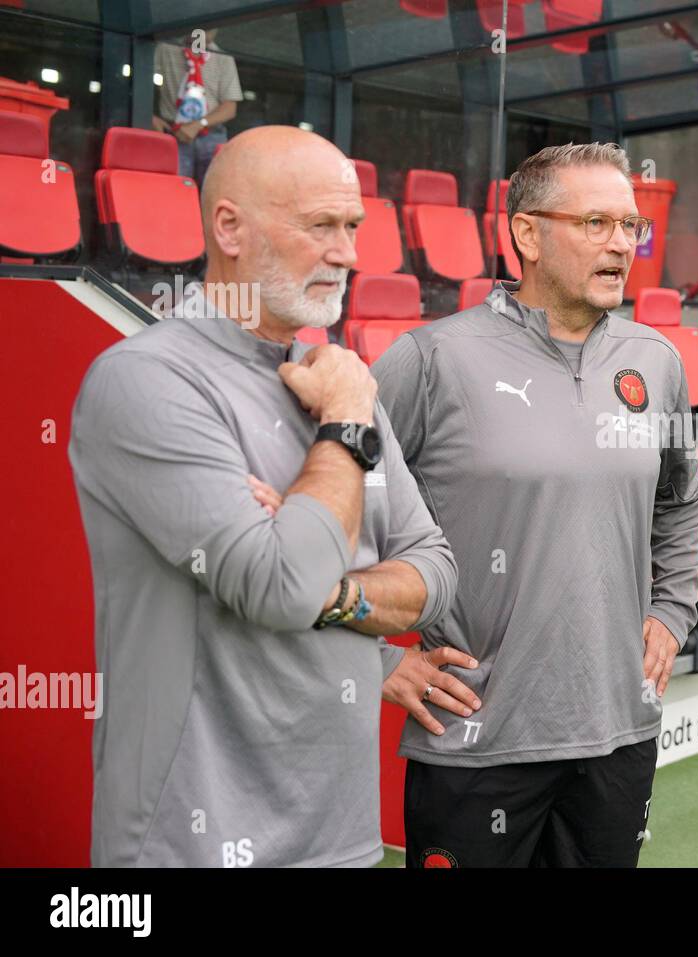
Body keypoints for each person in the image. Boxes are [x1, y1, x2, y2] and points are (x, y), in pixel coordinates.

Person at [68, 126, 467, 867]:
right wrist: (345, 428)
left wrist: (329, 584)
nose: (347, 252)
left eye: (353, 227)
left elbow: (434, 572)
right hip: (186, 847)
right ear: (229, 227)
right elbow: (280, 587)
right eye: (321, 225)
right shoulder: (146, 380)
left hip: (344, 838)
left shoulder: (336, 375)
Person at [373, 142, 698, 868]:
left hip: (619, 734)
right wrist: (371, 660)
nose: (622, 243)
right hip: (475, 743)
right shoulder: (428, 361)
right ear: (527, 234)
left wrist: (674, 610)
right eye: (597, 223)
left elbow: (682, 500)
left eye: (630, 226)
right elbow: (331, 507)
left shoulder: (660, 362)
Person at [153, 29, 243, 186]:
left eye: (210, 29)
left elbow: (230, 107)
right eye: (201, 28)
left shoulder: (223, 58)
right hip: (173, 132)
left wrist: (198, 124)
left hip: (211, 135)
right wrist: (150, 116)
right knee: (174, 188)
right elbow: (141, 80)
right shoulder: (166, 48)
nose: (205, 35)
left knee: (213, 190)